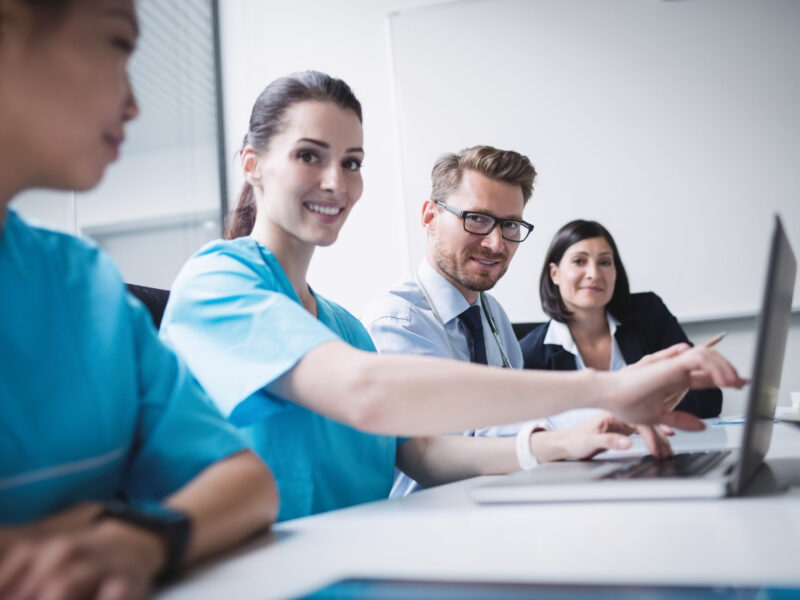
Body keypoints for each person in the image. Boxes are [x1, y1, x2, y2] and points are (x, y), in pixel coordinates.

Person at [159, 70, 744, 522]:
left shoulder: (343, 327)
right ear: (253, 165)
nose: (337, 182)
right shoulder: (218, 281)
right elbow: (366, 396)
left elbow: (423, 454)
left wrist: (566, 441)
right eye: (309, 155)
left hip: (364, 557)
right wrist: (611, 388)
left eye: (353, 161)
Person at [0, 1, 278, 597]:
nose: (134, 105)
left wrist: (137, 536)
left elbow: (246, 482)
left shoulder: (84, 287)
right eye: (118, 45)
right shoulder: (220, 276)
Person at [364, 146, 676, 497]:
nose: (496, 243)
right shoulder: (399, 321)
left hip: (505, 496)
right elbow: (457, 441)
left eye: (510, 224)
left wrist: (624, 398)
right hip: (433, 515)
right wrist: (606, 403)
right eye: (477, 219)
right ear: (430, 216)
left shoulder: (491, 312)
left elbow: (514, 416)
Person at [520, 219, 723, 425]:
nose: (594, 274)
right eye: (579, 261)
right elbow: (533, 426)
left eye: (605, 262)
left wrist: (642, 398)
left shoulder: (649, 313)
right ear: (554, 274)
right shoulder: (530, 354)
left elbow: (708, 397)